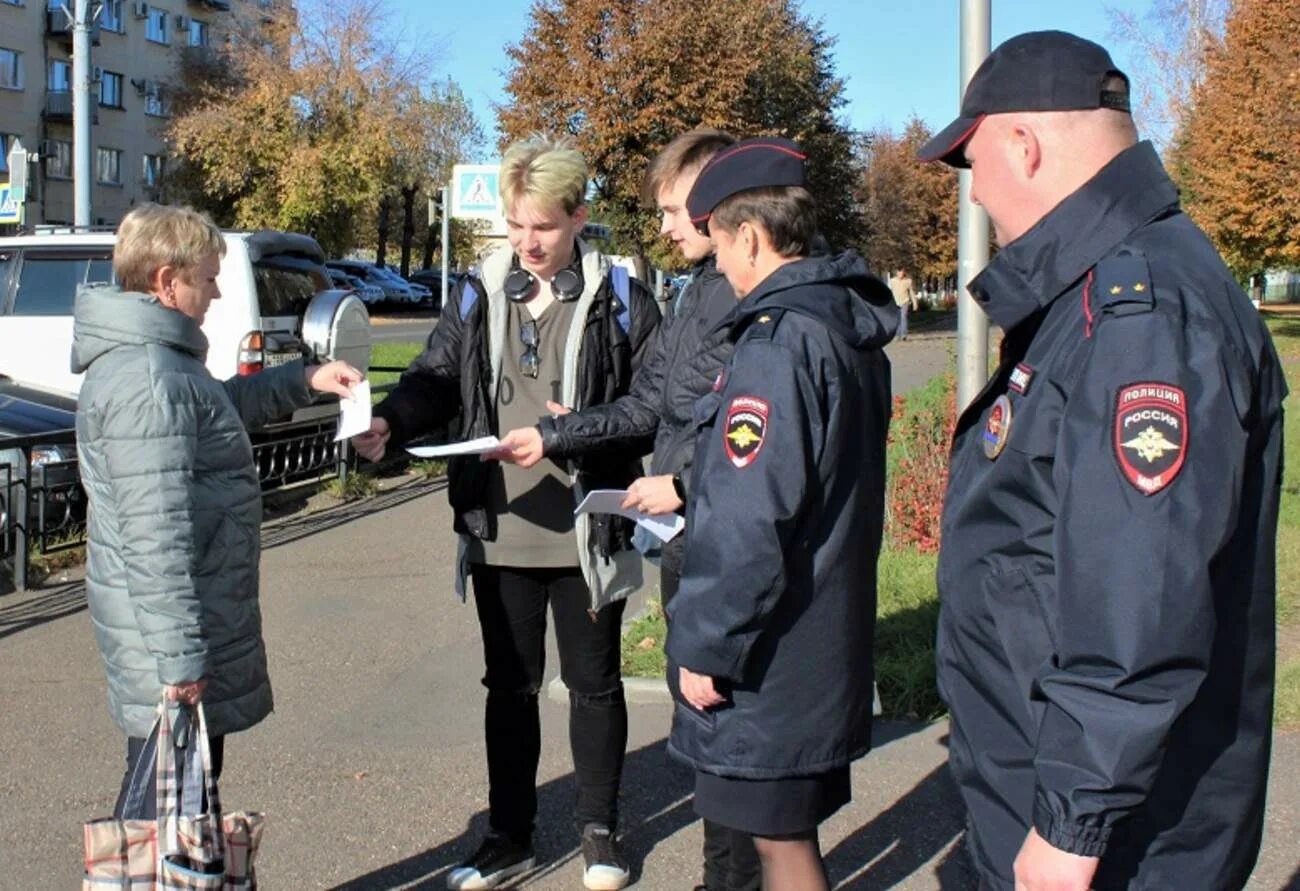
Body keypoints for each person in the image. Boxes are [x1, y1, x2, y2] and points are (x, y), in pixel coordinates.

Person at [918, 30, 1286, 891]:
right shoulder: (1106, 292)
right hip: (1060, 788)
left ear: (1023, 142)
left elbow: (1139, 596)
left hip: (1118, 835)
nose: (978, 200)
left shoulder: (1140, 313)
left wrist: (1072, 824)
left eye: (974, 167)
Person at [350, 135, 660, 891]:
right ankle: (510, 834)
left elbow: (652, 407)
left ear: (580, 216)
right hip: (499, 528)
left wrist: (564, 432)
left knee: (594, 684)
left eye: (543, 228)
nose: (527, 243)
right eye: (515, 226)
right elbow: (435, 374)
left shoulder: (624, 296)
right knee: (509, 685)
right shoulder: (480, 288)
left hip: (588, 525)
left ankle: (599, 831)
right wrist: (392, 420)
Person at [493, 128, 765, 891]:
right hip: (680, 542)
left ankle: (697, 866)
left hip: (709, 538)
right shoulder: (703, 289)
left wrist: (683, 481)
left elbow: (756, 428)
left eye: (677, 209)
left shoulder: (734, 300)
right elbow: (658, 404)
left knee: (735, 740)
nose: (668, 225)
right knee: (709, 734)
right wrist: (561, 430)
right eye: (517, 226)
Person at [73, 203, 361, 818]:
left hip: (180, 617)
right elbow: (156, 533)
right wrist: (178, 660)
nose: (217, 290)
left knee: (179, 796)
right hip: (173, 632)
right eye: (207, 277)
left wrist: (301, 380)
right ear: (165, 281)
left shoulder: (161, 364)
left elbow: (212, 410)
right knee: (165, 812)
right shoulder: (150, 376)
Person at [664, 137, 896, 890]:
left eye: (721, 245)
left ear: (752, 238)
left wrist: (705, 641)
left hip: (774, 652)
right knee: (787, 836)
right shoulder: (843, 327)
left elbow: (747, 519)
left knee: (780, 844)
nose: (720, 267)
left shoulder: (777, 343)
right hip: (821, 633)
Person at [888, 268, 917, 339]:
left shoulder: (908, 281)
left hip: (905, 301)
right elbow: (889, 291)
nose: (900, 274)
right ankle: (897, 334)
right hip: (895, 302)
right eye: (899, 272)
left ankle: (904, 334)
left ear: (904, 273)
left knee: (903, 317)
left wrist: (915, 303)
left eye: (902, 272)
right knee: (898, 318)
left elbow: (911, 292)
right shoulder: (892, 281)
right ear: (897, 273)